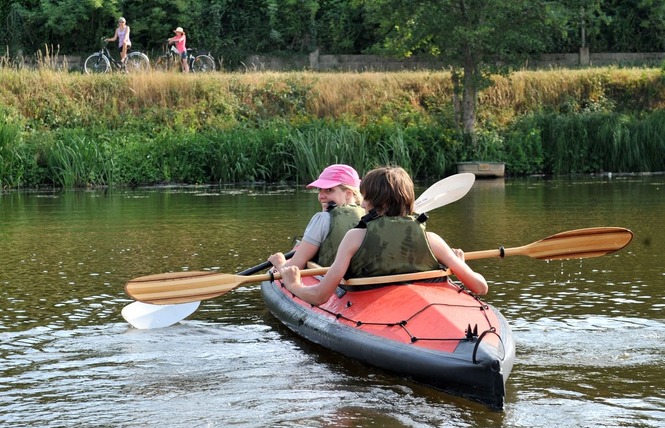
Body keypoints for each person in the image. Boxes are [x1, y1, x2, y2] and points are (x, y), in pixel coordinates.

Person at [274, 166, 488, 306]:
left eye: (366, 198)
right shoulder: (433, 240)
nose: (363, 203)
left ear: (379, 204)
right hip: (415, 302)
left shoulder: (354, 238)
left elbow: (321, 296)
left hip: (366, 302)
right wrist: (457, 264)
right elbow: (480, 287)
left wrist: (293, 285)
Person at [268, 164, 364, 271]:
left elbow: (293, 268)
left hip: (332, 282)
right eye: (320, 190)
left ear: (348, 194)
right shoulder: (367, 214)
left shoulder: (322, 219)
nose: (321, 196)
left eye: (329, 190)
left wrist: (280, 263)